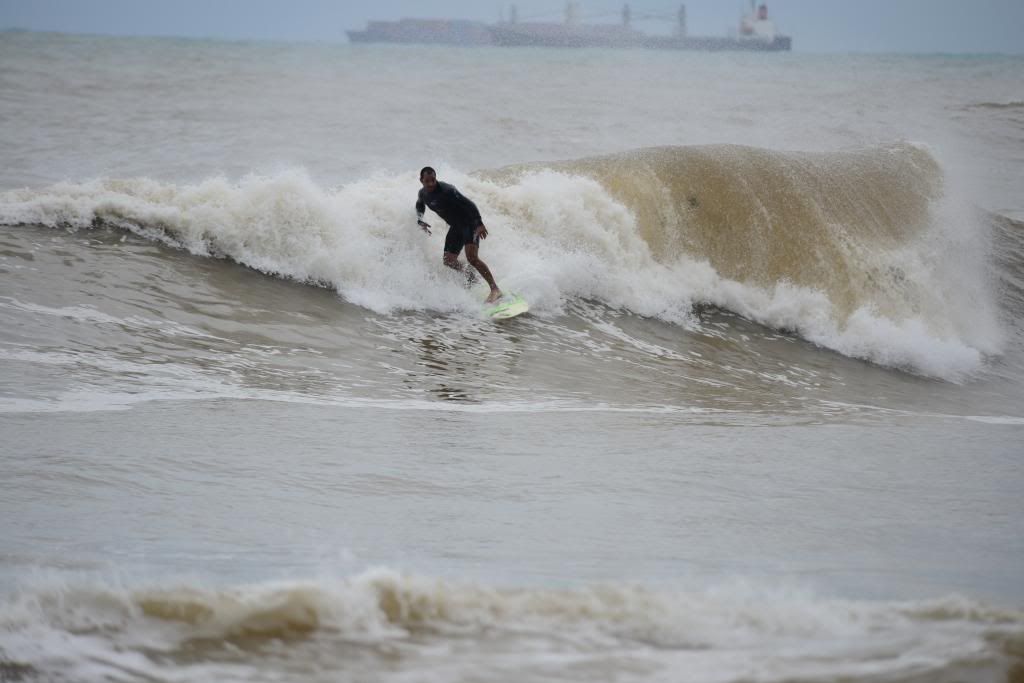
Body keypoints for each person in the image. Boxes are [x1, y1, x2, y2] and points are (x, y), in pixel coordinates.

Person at [415, 166, 503, 303]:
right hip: (456, 228)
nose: (431, 183)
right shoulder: (423, 194)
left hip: (469, 225)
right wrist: (420, 221)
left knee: (472, 258)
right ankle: (471, 276)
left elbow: (469, 204)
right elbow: (420, 205)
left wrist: (479, 223)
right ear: (421, 180)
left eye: (433, 180)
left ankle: (495, 289)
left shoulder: (447, 190)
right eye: (427, 181)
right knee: (448, 261)